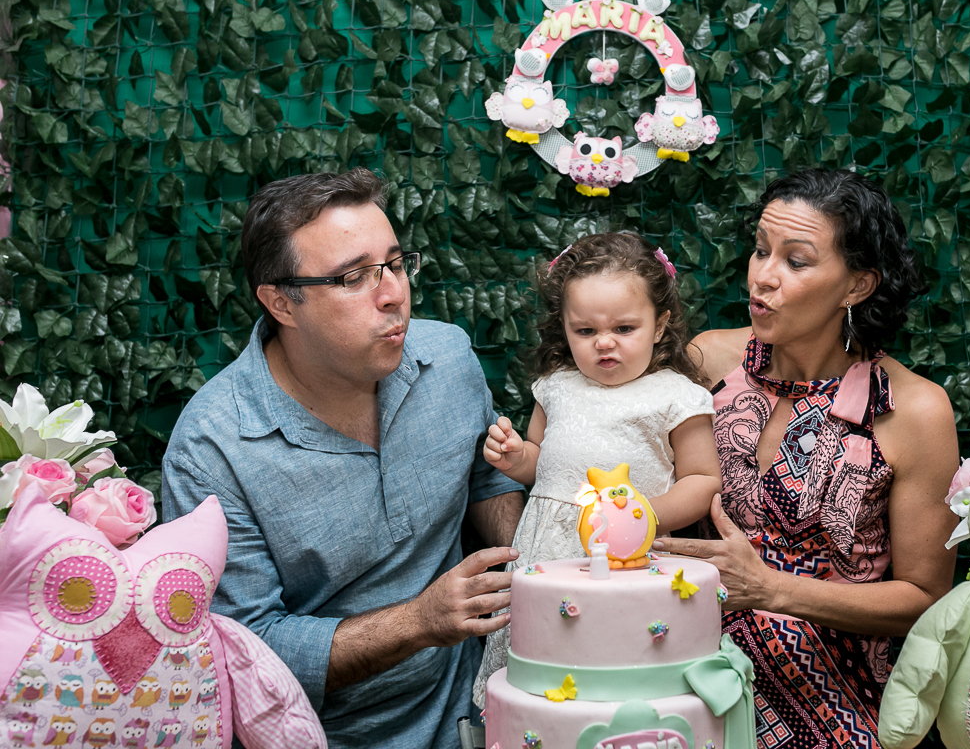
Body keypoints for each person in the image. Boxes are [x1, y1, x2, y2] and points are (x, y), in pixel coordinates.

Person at [161, 168, 526, 749]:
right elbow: (241, 646)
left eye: (396, 264)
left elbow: (486, 476)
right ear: (281, 302)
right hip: (328, 735)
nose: (393, 293)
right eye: (353, 277)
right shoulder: (211, 451)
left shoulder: (449, 357)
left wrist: (527, 563)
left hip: (482, 701)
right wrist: (419, 621)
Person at [654, 168, 959, 749]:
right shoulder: (706, 363)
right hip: (685, 695)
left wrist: (771, 588)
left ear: (857, 286)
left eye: (795, 261)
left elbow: (924, 597)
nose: (763, 277)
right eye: (760, 250)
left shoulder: (915, 411)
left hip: (835, 713)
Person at [472, 231, 723, 706]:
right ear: (564, 327)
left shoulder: (675, 396)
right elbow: (540, 464)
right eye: (585, 331)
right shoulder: (557, 387)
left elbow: (703, 479)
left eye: (625, 329)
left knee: (612, 682)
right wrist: (514, 457)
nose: (604, 343)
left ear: (660, 323)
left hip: (629, 561)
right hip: (546, 557)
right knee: (541, 694)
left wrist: (644, 516)